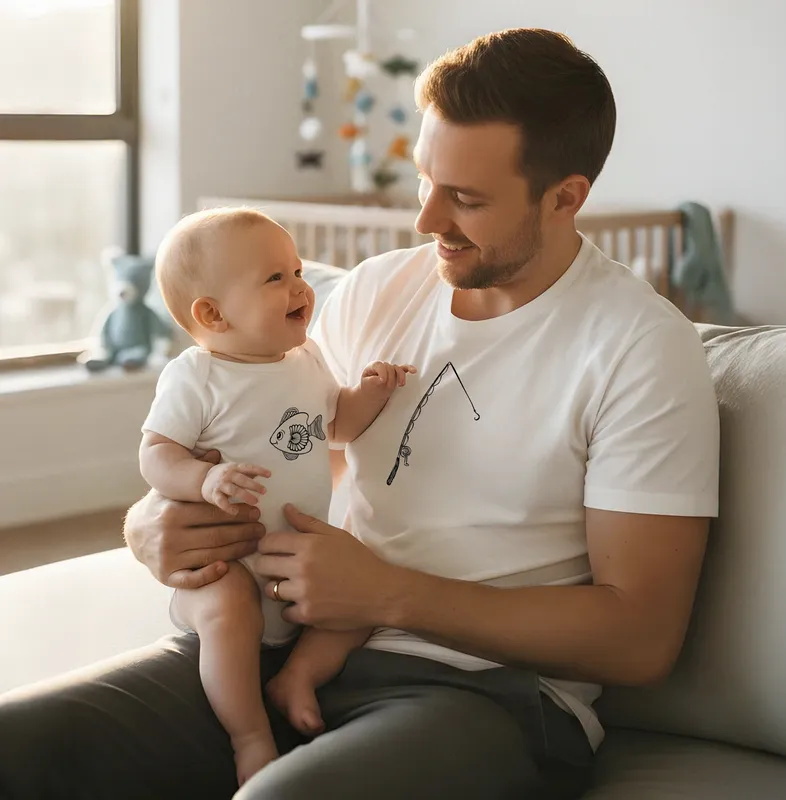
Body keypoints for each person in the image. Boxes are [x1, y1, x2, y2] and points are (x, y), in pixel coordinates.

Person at [0, 28, 719, 800]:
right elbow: (286, 444)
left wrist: (386, 594)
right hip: (289, 649)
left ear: (565, 197)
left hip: (489, 699)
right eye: (425, 182)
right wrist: (153, 524)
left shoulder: (642, 350)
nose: (425, 220)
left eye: (466, 199)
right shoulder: (379, 290)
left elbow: (641, 640)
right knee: (21, 746)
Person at [138, 208, 415, 785]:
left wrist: (369, 393)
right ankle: (250, 736)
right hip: (225, 568)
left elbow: (337, 424)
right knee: (230, 611)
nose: (299, 286)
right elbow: (156, 453)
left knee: (361, 600)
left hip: (292, 556)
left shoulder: (307, 359)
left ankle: (299, 677)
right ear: (212, 314)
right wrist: (202, 480)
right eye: (275, 279)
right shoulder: (197, 377)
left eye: (296, 270)